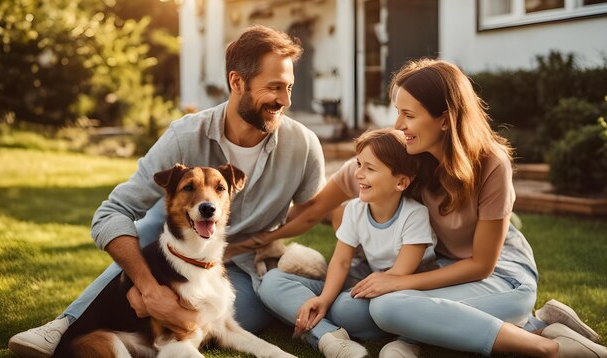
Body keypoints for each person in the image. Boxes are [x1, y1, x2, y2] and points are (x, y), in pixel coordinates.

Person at [8, 25, 326, 357]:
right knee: (147, 226)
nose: (285, 101)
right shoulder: (185, 135)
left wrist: (372, 227)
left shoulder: (302, 145)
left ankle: (163, 337)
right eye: (274, 87)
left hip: (242, 267)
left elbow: (317, 208)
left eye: (289, 88)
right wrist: (147, 287)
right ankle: (66, 323)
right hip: (172, 256)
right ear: (237, 82)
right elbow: (111, 213)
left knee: (231, 321)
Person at [255, 58, 605, 358]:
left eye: (409, 114)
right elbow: (314, 208)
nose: (398, 126)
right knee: (354, 308)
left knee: (389, 306)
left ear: (444, 119)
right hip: (436, 271)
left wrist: (396, 281)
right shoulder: (404, 160)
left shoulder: (490, 164)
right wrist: (254, 234)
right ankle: (519, 324)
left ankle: (546, 343)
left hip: (500, 277)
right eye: (398, 113)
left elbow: (482, 264)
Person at [259, 128, 436, 358]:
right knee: (271, 283)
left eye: (369, 168)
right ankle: (333, 336)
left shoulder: (415, 215)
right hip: (370, 279)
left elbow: (401, 273)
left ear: (401, 182)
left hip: (404, 289)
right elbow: (341, 261)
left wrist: (345, 297)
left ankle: (408, 340)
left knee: (347, 308)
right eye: (359, 164)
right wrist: (324, 299)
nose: (359, 174)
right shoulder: (355, 209)